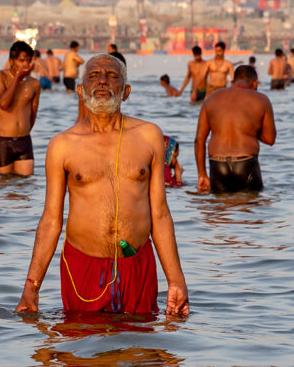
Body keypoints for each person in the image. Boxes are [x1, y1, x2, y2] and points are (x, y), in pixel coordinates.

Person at [15, 54, 189, 317]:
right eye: (94, 76)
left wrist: (175, 281)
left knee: (142, 350)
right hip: (81, 268)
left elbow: (160, 214)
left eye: (112, 76)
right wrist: (32, 287)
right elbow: (51, 219)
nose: (103, 81)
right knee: (82, 351)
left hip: (137, 267)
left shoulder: (149, 135)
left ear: (126, 91)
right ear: (80, 90)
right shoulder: (62, 145)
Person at [195, 64, 276, 193]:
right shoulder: (262, 100)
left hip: (217, 164)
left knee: (220, 209)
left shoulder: (211, 99)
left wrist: (202, 174)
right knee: (251, 209)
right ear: (254, 83)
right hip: (245, 163)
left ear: (233, 81)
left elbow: (199, 140)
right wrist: (250, 129)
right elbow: (270, 139)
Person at [0, 42, 41, 176]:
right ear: (11, 61)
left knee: (25, 187)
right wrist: (18, 77)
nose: (26, 64)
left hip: (24, 140)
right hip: (3, 141)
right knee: (4, 187)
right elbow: (3, 103)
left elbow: (33, 115)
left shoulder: (34, 84)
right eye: (21, 60)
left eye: (29, 60)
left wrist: (22, 130)